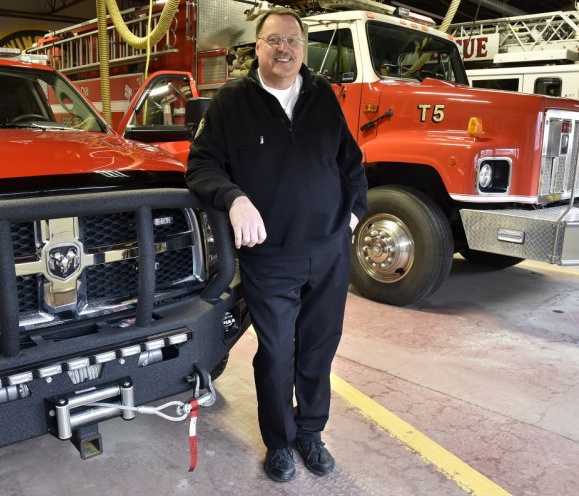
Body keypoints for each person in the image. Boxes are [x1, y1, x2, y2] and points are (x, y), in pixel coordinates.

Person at [185, 7, 368, 483]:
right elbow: (201, 166)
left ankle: (310, 432)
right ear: (258, 47)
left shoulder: (322, 96)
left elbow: (352, 161)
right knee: (276, 353)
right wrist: (235, 198)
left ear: (302, 48)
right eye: (273, 41)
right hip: (270, 255)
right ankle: (281, 441)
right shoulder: (231, 102)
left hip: (329, 251)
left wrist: (354, 213)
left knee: (319, 348)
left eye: (292, 41)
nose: (283, 49)